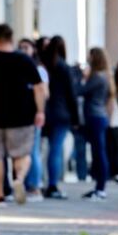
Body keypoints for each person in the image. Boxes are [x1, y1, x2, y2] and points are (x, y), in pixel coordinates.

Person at [0, 24, 44, 204]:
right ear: (11, 39)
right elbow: (39, 88)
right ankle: (19, 179)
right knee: (22, 154)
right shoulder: (24, 60)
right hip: (22, 116)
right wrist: (40, 111)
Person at [41, 36, 78, 199]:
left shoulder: (43, 66)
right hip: (61, 114)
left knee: (43, 149)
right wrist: (76, 117)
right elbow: (71, 94)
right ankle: (52, 184)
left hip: (45, 112)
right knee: (55, 150)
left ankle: (40, 182)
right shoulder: (64, 67)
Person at [78, 47, 112, 200]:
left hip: (95, 117)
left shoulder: (97, 77)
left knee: (99, 152)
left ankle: (101, 188)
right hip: (98, 116)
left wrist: (82, 78)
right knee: (98, 152)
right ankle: (99, 186)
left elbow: (81, 90)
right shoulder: (103, 76)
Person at [19, 37, 49, 201]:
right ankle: (24, 183)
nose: (24, 50)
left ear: (33, 50)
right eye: (21, 47)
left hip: (33, 114)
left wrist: (40, 111)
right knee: (22, 151)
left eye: (27, 47)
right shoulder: (18, 66)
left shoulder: (39, 70)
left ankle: (35, 186)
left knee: (33, 150)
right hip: (19, 115)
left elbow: (45, 93)